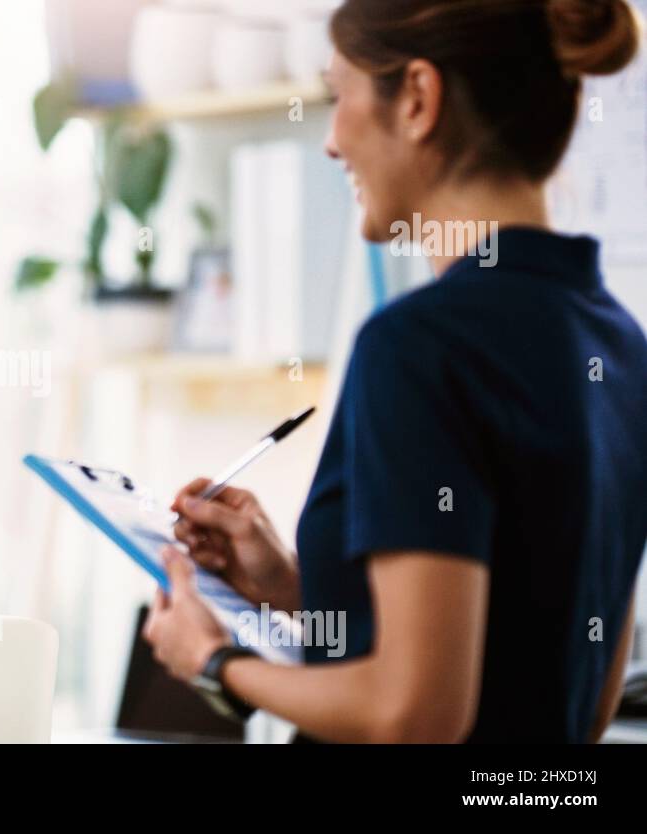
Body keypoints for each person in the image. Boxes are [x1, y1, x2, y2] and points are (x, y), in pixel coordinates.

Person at [143, 0, 646, 743]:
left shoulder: (420, 345)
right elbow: (577, 687)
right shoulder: (619, 341)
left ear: (417, 98)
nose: (331, 143)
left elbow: (415, 714)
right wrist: (288, 585)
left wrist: (213, 659)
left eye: (336, 96)